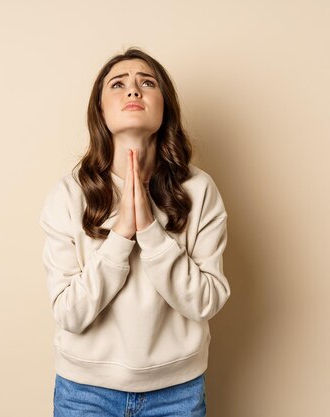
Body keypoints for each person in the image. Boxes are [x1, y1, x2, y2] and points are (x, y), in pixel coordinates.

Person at [39, 47, 230, 417]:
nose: (133, 91)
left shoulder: (199, 190)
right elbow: (69, 313)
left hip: (177, 392)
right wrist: (121, 236)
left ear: (165, 106)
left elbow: (205, 301)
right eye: (118, 84)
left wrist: (151, 232)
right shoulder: (68, 194)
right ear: (100, 110)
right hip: (85, 394)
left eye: (147, 82)